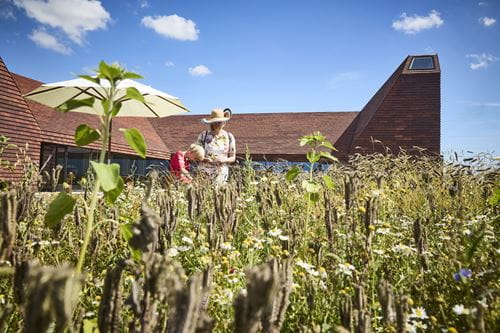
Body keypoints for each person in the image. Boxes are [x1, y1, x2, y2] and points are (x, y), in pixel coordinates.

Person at [197, 108, 236, 185]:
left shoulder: (229, 136)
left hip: (221, 172)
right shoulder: (203, 135)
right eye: (214, 122)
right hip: (204, 172)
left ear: (224, 122)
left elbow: (233, 158)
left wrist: (223, 160)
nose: (216, 124)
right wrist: (204, 159)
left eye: (219, 122)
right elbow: (195, 154)